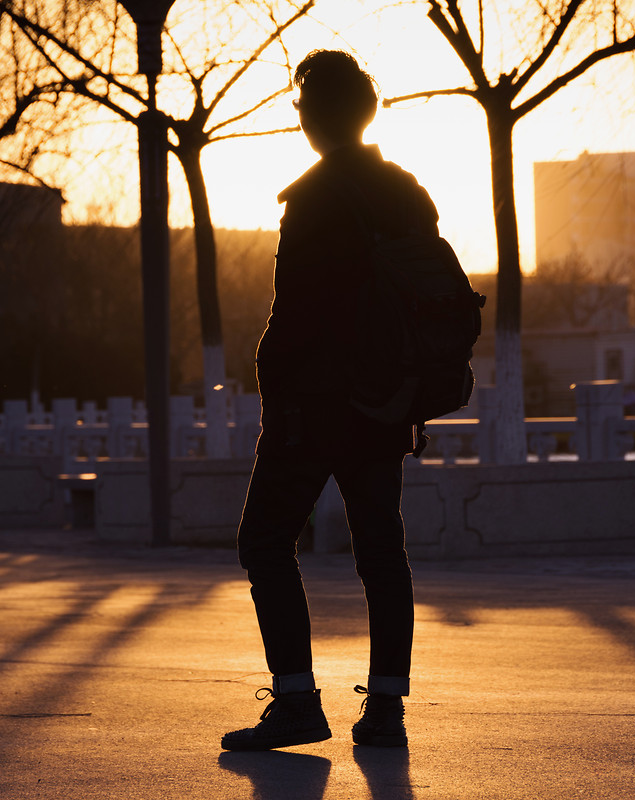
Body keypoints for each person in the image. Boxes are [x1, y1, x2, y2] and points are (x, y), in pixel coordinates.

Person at [220, 50, 440, 752]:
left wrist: (271, 385)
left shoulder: (313, 200)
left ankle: (296, 701)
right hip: (384, 400)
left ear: (312, 122)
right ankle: (386, 711)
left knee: (264, 539)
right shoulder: (408, 191)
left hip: (314, 405)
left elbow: (297, 315)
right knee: (381, 547)